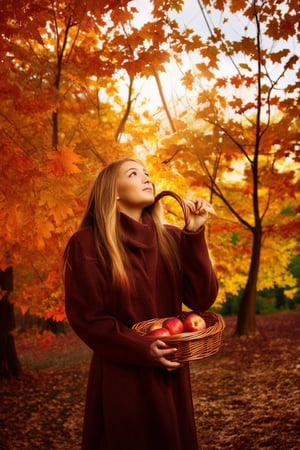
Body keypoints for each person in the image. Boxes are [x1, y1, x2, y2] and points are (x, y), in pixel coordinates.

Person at [63, 157, 218, 450]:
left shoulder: (172, 237)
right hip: (122, 374)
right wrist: (141, 347)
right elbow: (88, 318)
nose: (146, 177)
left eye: (147, 173)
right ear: (114, 191)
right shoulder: (86, 244)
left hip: (170, 370)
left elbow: (201, 298)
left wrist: (195, 234)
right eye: (134, 173)